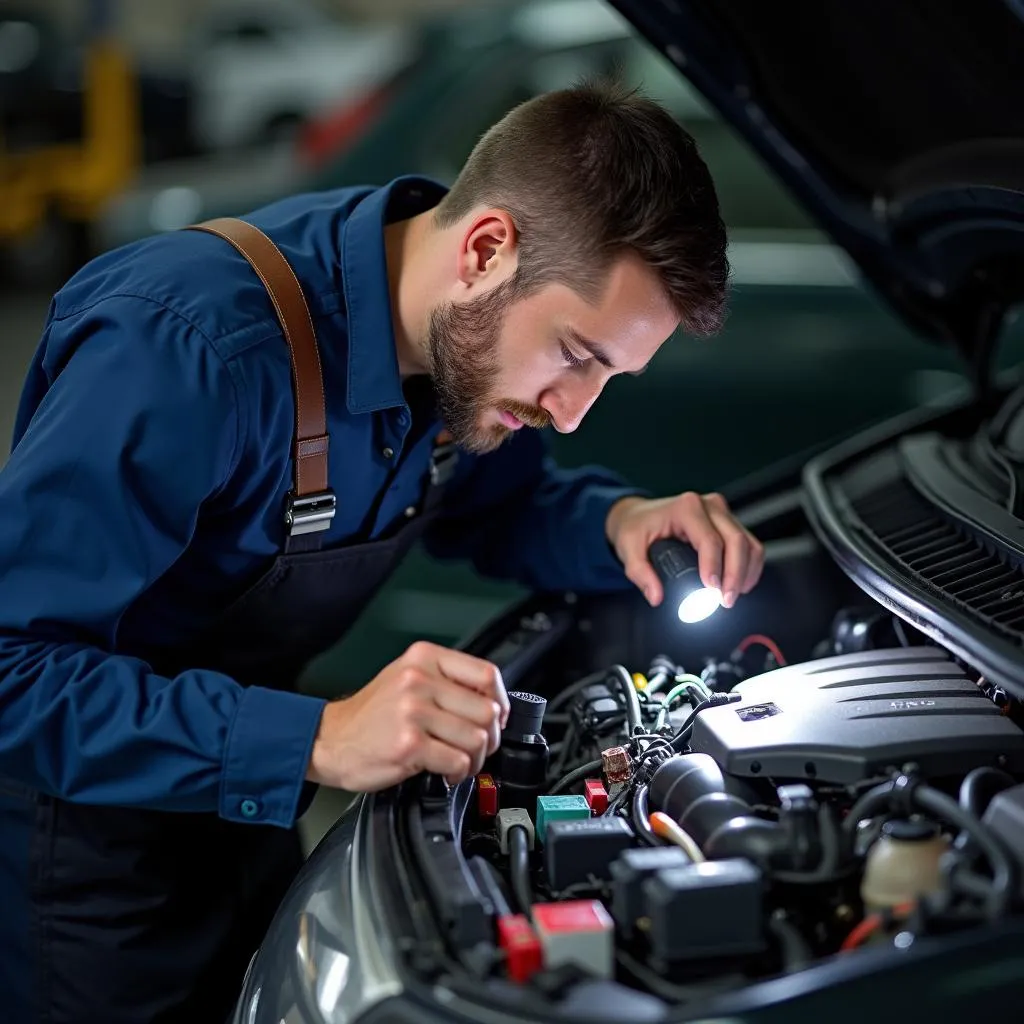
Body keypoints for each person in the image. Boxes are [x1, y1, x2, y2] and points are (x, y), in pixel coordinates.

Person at [0, 80, 763, 1023]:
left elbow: (499, 506)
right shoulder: (187, 349)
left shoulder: (453, 345)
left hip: (247, 827)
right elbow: (12, 671)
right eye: (576, 354)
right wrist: (316, 736)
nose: (572, 410)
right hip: (83, 873)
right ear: (487, 249)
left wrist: (614, 526)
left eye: (612, 377)